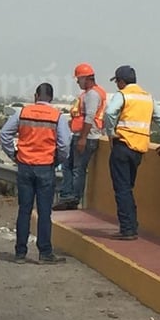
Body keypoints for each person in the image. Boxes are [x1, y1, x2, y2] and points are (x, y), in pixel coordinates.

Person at [0, 82, 71, 264]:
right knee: (44, 212)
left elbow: (5, 134)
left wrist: (14, 154)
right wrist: (57, 161)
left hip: (25, 166)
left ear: (36, 96)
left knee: (24, 210)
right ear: (51, 98)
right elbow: (64, 145)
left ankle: (20, 253)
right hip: (46, 167)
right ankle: (45, 253)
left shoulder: (22, 112)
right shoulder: (58, 117)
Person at [104, 65, 160, 240]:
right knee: (128, 188)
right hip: (138, 151)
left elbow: (110, 112)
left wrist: (111, 132)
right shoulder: (147, 98)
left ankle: (128, 229)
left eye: (117, 81)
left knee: (122, 189)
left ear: (121, 81)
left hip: (122, 145)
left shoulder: (123, 95)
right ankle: (132, 225)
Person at [54, 63, 107, 211]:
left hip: (87, 137)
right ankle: (67, 196)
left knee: (77, 168)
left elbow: (89, 117)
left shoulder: (93, 95)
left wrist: (83, 138)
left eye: (79, 79)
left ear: (86, 78)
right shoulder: (91, 93)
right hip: (81, 135)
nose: (77, 82)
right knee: (68, 166)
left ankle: (72, 198)